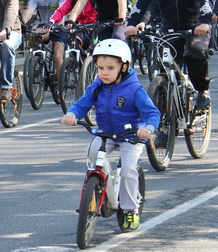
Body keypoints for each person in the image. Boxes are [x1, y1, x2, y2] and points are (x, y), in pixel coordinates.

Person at [61, 39, 160, 232]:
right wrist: (72, 114)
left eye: (110, 68)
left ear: (123, 67)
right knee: (91, 151)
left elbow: (152, 113)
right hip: (106, 133)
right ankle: (102, 183)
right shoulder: (97, 86)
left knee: (129, 169)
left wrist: (148, 128)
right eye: (100, 68)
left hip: (131, 135)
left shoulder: (134, 90)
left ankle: (131, 209)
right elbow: (82, 103)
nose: (104, 72)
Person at [125, 0, 213, 109]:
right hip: (169, 28)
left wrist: (204, 22)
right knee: (164, 66)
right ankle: (165, 118)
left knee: (194, 53)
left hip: (195, 27)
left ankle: (202, 91)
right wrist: (133, 23)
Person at [21, 0, 67, 73]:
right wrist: (21, 24)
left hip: (58, 25)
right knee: (35, 36)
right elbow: (29, 11)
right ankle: (37, 60)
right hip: (44, 25)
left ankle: (60, 85)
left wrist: (57, 25)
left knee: (58, 56)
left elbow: (61, 12)